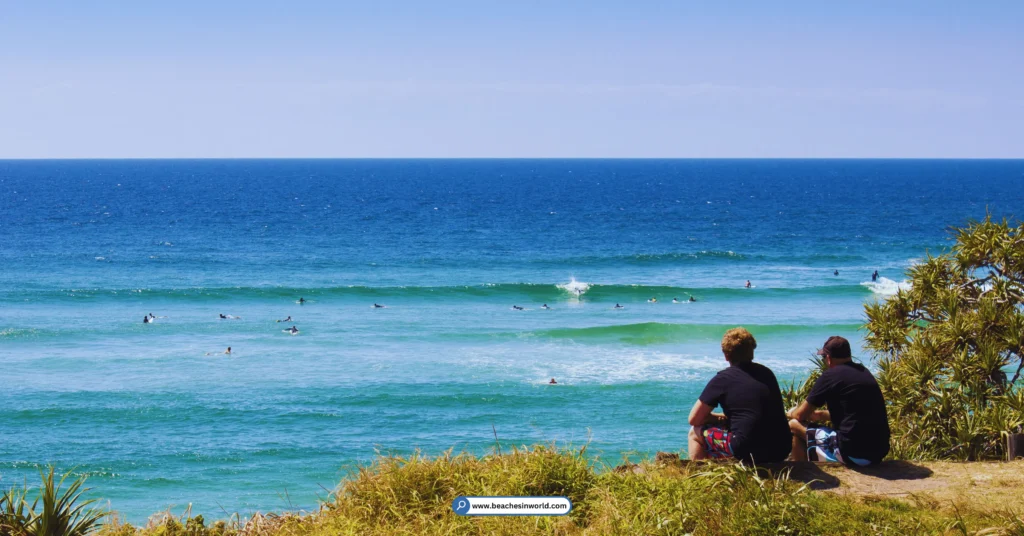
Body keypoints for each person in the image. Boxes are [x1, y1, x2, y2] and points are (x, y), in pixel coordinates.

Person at [687, 328, 791, 463]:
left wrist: (716, 418)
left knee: (695, 432)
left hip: (747, 452)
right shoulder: (767, 373)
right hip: (781, 448)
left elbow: (694, 419)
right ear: (752, 352)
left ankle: (700, 476)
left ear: (726, 355)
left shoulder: (722, 379)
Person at [787, 336, 890, 466]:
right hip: (877, 453)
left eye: (823, 358)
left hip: (852, 453)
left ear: (829, 358)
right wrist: (819, 415)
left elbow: (799, 415)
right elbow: (854, 414)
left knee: (794, 425)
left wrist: (791, 412)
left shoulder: (830, 375)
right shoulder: (864, 372)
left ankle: (800, 470)